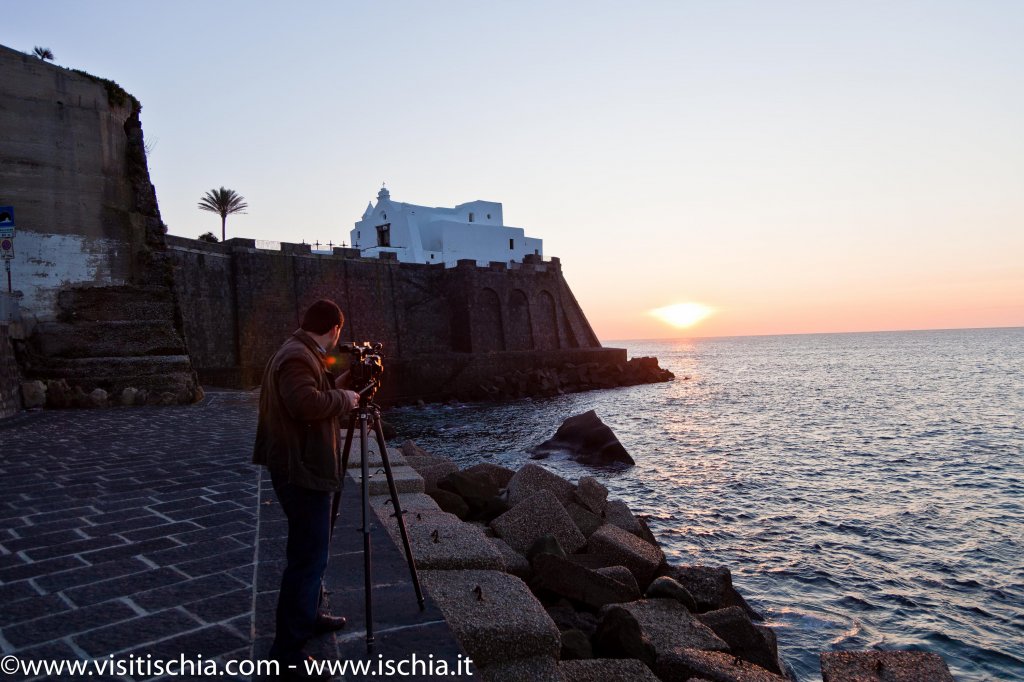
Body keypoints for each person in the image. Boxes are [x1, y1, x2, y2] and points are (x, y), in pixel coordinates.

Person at [253, 299, 360, 675]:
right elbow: (303, 403)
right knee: (308, 558)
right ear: (334, 329)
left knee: (314, 550)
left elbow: (310, 393)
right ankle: (287, 651)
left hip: (302, 463)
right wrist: (343, 400)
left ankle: (311, 614)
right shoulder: (298, 356)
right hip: (301, 469)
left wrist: (344, 386)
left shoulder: (298, 351)